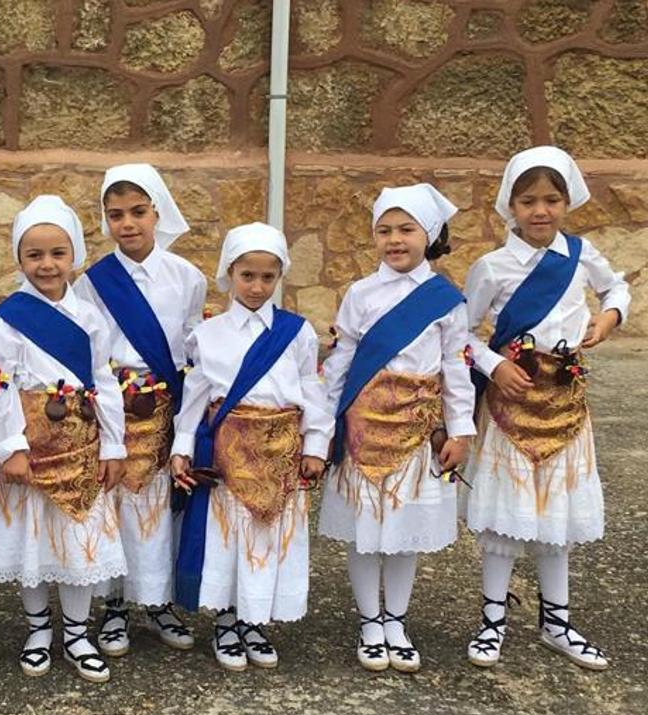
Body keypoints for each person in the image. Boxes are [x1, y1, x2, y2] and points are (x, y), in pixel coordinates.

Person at [463, 146, 629, 671]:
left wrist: (608, 319)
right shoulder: (492, 266)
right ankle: (493, 619)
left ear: (567, 201)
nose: (541, 210)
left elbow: (616, 286)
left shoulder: (580, 255)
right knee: (505, 518)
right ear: (510, 205)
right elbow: (460, 334)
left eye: (552, 199)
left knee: (556, 513)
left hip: (565, 401)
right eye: (529, 200)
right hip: (512, 402)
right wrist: (494, 366)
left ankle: (556, 622)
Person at [318, 185, 475, 673]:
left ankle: (397, 621)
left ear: (428, 236)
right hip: (364, 428)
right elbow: (342, 360)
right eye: (384, 230)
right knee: (367, 531)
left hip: (416, 431)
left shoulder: (446, 300)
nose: (394, 239)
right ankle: (369, 622)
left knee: (404, 531)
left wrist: (461, 429)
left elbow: (455, 365)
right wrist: (322, 425)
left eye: (406, 229)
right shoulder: (360, 294)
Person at [170, 222, 331, 671]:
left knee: (267, 536)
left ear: (279, 277)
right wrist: (182, 446)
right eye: (247, 276)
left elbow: (310, 389)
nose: (257, 286)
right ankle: (225, 620)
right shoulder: (209, 334)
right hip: (227, 453)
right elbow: (196, 398)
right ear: (229, 273)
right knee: (228, 538)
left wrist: (316, 444)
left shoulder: (297, 333)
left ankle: (255, 619)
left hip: (280, 452)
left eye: (267, 277)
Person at [0, 195, 128, 682]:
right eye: (35, 255)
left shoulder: (90, 317)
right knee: (35, 542)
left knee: (77, 539)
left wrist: (113, 445)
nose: (47, 265)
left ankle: (79, 633)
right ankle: (38, 629)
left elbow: (104, 381)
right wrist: (11, 447)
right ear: (20, 259)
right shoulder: (5, 318)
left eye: (57, 253)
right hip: (33, 448)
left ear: (74, 255)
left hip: (82, 447)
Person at [73, 163, 207, 656]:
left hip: (164, 405)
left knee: (157, 505)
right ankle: (113, 604)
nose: (126, 224)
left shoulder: (188, 277)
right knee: (112, 502)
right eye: (115, 215)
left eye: (137, 212)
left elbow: (193, 345)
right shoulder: (92, 283)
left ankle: (157, 600)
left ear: (158, 212)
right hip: (112, 405)